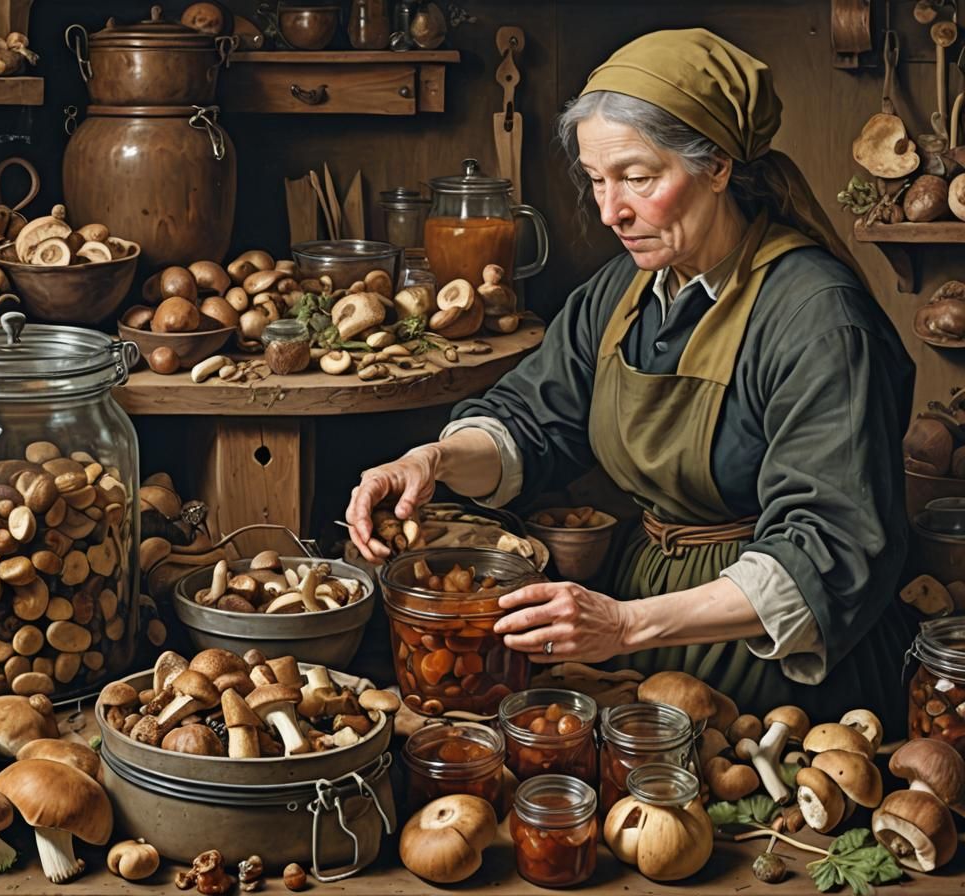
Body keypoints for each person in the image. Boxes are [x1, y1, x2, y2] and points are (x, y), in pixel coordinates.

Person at [346, 28, 916, 734]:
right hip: (637, 642)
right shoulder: (623, 290)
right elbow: (533, 419)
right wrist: (428, 460)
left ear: (716, 167)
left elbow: (831, 549)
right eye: (595, 179)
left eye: (638, 178)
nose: (611, 210)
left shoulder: (818, 318)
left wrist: (624, 624)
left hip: (783, 674)